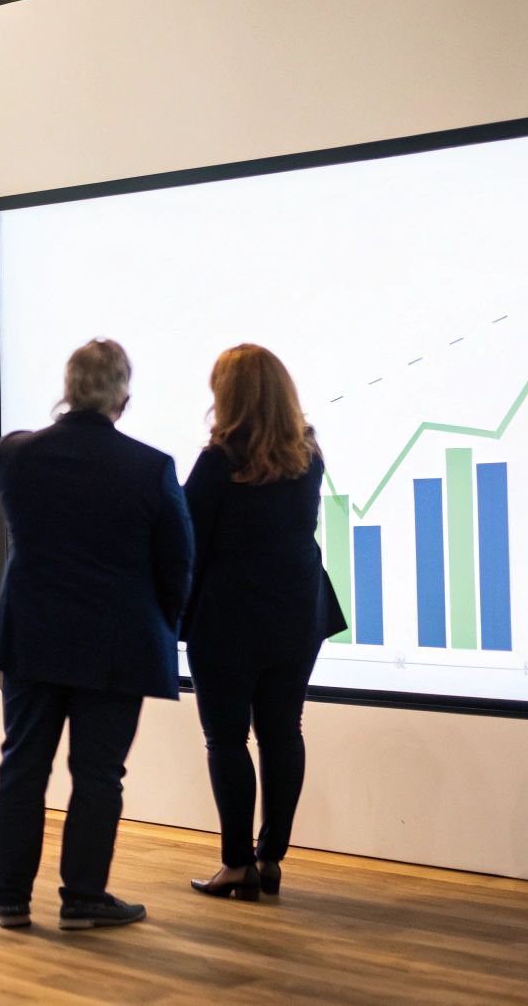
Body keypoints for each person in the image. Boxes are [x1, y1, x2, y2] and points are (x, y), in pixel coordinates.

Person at [0, 338, 194, 931]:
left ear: (68, 388)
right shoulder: (149, 467)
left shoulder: (16, 454)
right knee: (99, 774)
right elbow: (178, 563)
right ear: (123, 394)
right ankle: (81, 898)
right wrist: (164, 625)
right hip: (116, 642)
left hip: (30, 636)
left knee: (21, 765)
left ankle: (9, 898)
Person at [181, 345, 346, 901]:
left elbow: (188, 541)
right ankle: (270, 857)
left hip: (229, 616)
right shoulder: (308, 454)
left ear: (230, 395)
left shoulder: (219, 461)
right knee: (283, 731)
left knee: (226, 737)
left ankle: (236, 864)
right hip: (299, 611)